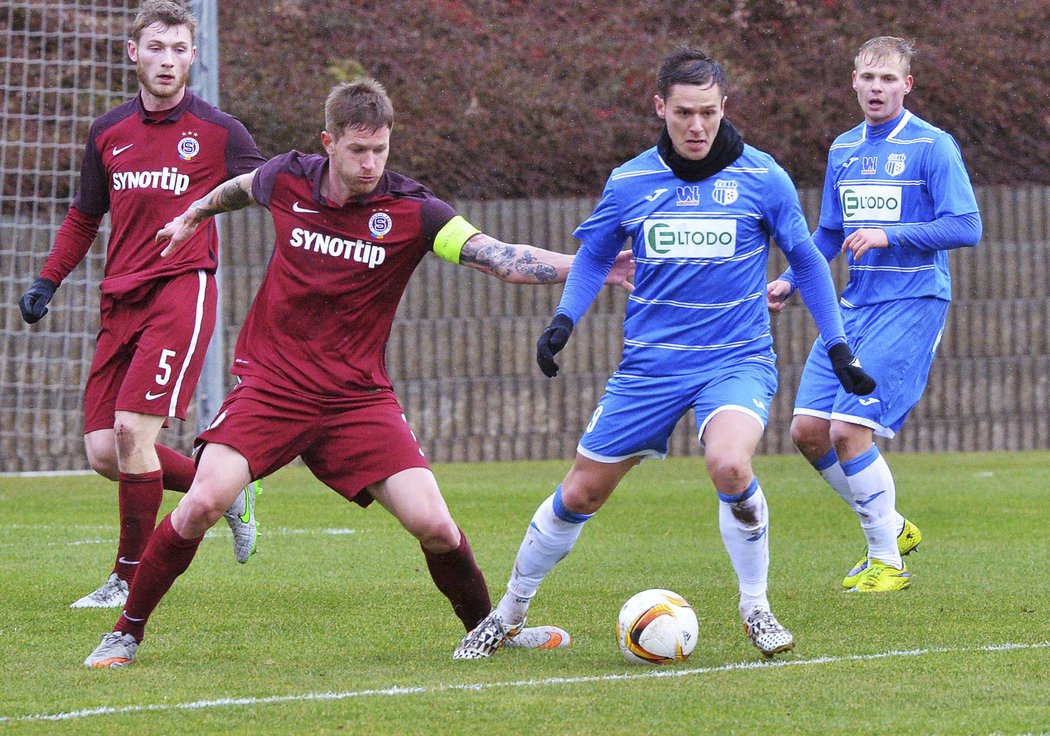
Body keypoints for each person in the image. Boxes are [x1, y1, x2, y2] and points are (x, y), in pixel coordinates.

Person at [83, 77, 634, 668]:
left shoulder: (415, 212)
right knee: (201, 504)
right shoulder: (287, 177)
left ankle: (489, 628)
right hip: (272, 387)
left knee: (437, 527)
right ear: (329, 143)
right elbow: (239, 187)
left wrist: (590, 267)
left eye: (380, 150)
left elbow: (500, 260)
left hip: (357, 400)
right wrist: (194, 211)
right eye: (357, 151)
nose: (371, 163)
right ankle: (125, 632)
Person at [453, 48, 875, 662]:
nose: (697, 126)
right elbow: (597, 254)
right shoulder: (631, 180)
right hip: (649, 366)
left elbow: (807, 260)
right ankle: (508, 612)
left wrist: (837, 347)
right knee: (581, 494)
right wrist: (563, 320)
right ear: (661, 108)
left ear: (724, 106)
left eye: (708, 111)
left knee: (730, 466)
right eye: (684, 113)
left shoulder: (763, 177)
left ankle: (756, 607)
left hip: (735, 358)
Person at [17, 1, 265, 610]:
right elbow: (84, 215)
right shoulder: (108, 132)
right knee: (105, 452)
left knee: (132, 431)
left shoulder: (218, 130)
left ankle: (125, 580)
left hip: (182, 288)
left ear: (192, 56)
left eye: (180, 49)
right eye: (157, 47)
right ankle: (225, 489)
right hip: (119, 297)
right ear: (134, 52)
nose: (168, 60)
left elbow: (270, 187)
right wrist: (48, 282)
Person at [765, 36, 981, 592]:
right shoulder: (844, 150)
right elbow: (831, 233)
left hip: (912, 301)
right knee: (808, 431)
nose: (877, 88)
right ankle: (891, 525)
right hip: (853, 307)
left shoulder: (934, 146)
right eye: (868, 77)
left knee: (849, 429)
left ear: (907, 85)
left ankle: (887, 560)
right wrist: (792, 277)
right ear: (854, 82)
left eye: (889, 79)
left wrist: (892, 234)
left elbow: (966, 225)